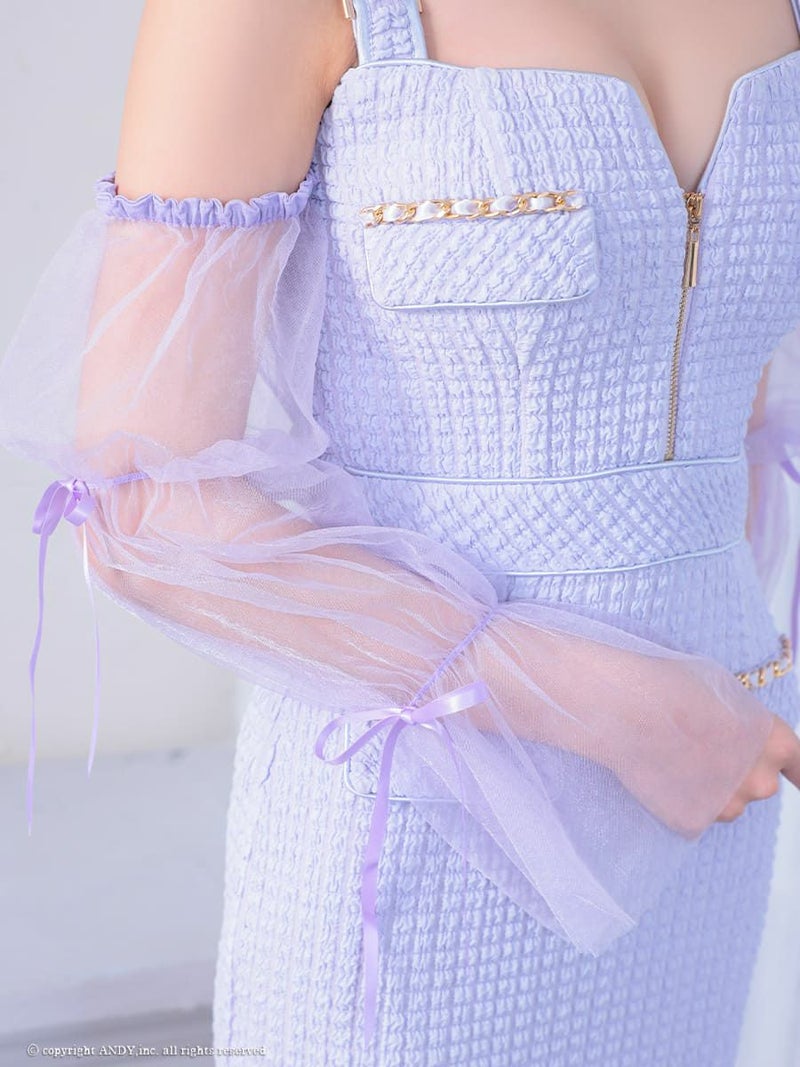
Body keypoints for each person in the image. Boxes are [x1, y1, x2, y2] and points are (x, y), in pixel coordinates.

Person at [2, 0, 800, 1063]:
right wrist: (622, 710)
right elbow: (146, 509)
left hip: (706, 810)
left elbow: (728, 415)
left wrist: (705, 714)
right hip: (409, 837)